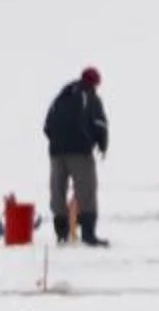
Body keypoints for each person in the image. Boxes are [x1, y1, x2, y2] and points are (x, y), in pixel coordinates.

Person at [43, 66, 110, 247]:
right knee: (86, 191)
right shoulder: (90, 97)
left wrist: (57, 142)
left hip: (56, 153)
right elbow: (100, 125)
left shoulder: (62, 95)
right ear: (94, 83)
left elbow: (47, 125)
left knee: (58, 191)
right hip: (80, 152)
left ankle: (62, 234)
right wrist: (101, 145)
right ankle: (88, 235)